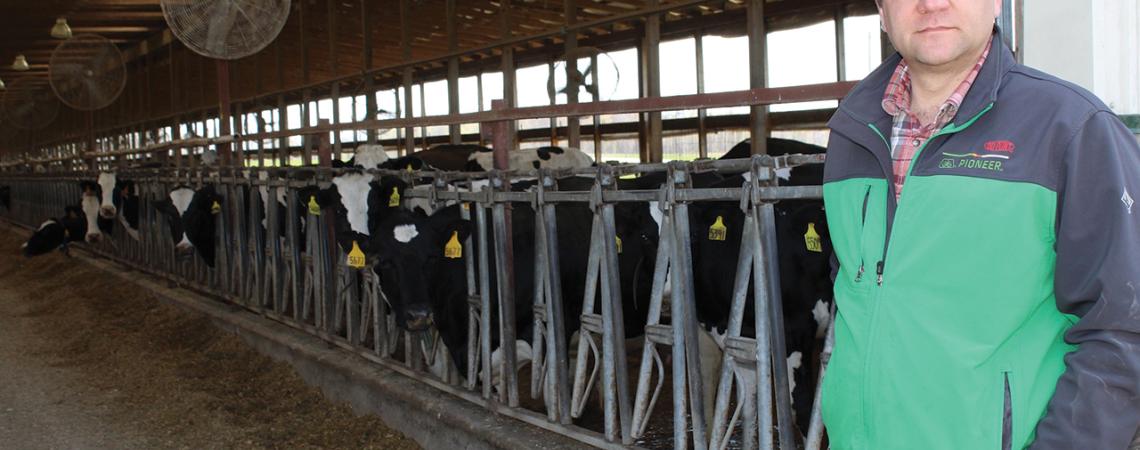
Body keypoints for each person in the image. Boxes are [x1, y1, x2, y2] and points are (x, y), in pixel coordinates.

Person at [820, 0, 1140, 448]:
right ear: (881, 8)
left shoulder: (1071, 128)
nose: (931, 3)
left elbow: (1122, 330)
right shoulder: (852, 130)